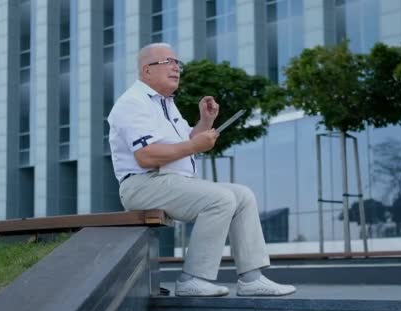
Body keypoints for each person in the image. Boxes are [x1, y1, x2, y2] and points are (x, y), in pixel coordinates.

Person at [107, 42, 295, 297]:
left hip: (169, 182)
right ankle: (192, 278)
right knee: (220, 199)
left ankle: (251, 278)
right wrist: (194, 144)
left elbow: (189, 142)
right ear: (146, 71)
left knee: (242, 195)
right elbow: (146, 156)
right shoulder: (132, 103)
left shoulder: (165, 103)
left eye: (177, 63)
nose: (176, 68)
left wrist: (205, 121)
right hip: (142, 184)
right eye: (168, 62)